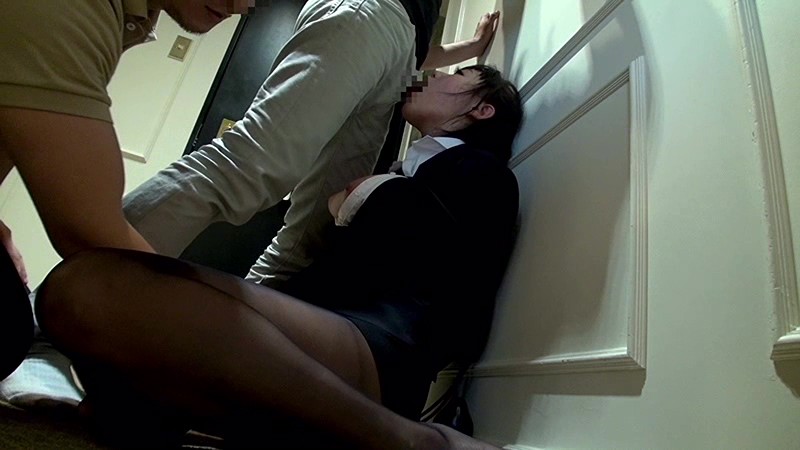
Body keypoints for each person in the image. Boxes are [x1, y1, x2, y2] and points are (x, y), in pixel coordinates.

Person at [36, 64, 523, 449]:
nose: (432, 76)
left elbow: (458, 301)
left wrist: (369, 194)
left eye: (455, 75)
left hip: (380, 349)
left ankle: (410, 440)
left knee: (88, 287)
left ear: (482, 109)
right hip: (326, 332)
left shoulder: (484, 172)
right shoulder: (410, 170)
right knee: (87, 295)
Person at [121, 1, 501, 293]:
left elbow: (412, 43)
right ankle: (103, 280)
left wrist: (468, 47)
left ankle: (233, 336)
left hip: (396, 48)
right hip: (368, 15)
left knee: (317, 229)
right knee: (251, 166)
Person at [0, 0, 247, 381]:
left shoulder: (129, 16)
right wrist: (234, 346)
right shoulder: (69, 9)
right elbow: (89, 232)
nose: (244, 5)